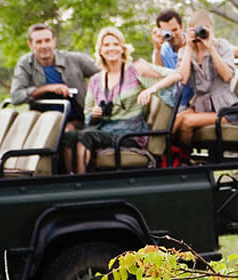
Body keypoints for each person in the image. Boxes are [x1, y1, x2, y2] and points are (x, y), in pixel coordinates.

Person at [63, 27, 181, 174]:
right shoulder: (95, 80)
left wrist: (151, 89)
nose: (111, 48)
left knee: (86, 136)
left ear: (122, 48)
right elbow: (88, 117)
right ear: (100, 50)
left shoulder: (135, 70)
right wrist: (95, 114)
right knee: (69, 137)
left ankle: (81, 183)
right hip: (104, 131)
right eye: (106, 45)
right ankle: (70, 177)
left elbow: (176, 75)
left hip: (130, 134)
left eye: (115, 44)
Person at [170, 11, 238, 148]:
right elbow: (183, 79)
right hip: (200, 107)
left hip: (225, 110)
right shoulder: (186, 51)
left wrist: (211, 48)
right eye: (196, 30)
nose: (200, 33)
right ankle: (171, 158)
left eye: (204, 29)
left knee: (186, 121)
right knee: (176, 119)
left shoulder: (222, 46)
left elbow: (227, 76)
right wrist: (189, 48)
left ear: (211, 29)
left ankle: (181, 158)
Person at [10, 23, 98, 127]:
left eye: (47, 40)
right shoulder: (25, 63)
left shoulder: (75, 59)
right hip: (43, 122)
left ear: (54, 42)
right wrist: (48, 88)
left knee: (67, 132)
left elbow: (106, 73)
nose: (44, 46)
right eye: (38, 42)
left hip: (78, 118)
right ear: (30, 44)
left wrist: (96, 96)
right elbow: (16, 97)